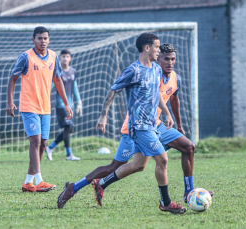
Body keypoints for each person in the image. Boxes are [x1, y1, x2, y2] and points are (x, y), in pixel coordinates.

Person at [58, 33, 186, 214]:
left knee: (134, 165)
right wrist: (103, 115)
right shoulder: (133, 70)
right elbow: (113, 91)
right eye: (157, 47)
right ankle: (166, 203)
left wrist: (166, 113)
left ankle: (73, 187)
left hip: (151, 125)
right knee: (163, 159)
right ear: (147, 48)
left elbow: (156, 94)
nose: (159, 50)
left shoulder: (156, 69)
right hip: (138, 126)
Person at [6, 26, 73, 193]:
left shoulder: (53, 57)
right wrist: (9, 102)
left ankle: (28, 182)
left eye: (45, 38)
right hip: (29, 106)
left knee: (43, 144)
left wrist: (66, 103)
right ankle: (40, 180)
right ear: (33, 40)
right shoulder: (25, 57)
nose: (43, 41)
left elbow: (58, 81)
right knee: (35, 142)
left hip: (46, 107)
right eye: (39, 38)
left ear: (49, 40)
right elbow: (12, 79)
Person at [45, 49, 82, 161]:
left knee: (69, 129)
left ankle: (50, 148)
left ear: (70, 58)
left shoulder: (73, 71)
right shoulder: (57, 72)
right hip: (61, 104)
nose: (65, 58)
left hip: (71, 105)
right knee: (67, 127)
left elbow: (74, 88)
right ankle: (68, 154)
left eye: (67, 56)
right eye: (63, 56)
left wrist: (79, 102)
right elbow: (50, 87)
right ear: (59, 58)